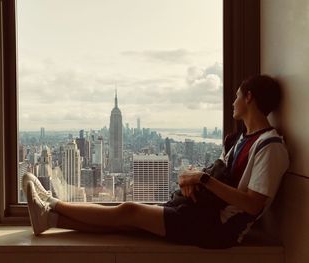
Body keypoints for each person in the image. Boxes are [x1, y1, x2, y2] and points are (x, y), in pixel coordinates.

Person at [23, 74, 289, 248]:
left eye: (237, 96)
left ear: (249, 97)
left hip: (218, 229)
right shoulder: (241, 139)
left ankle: (51, 202)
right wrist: (196, 181)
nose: (233, 102)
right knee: (129, 223)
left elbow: (254, 204)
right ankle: (49, 220)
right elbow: (221, 178)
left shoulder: (270, 146)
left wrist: (202, 179)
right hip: (204, 215)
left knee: (129, 211)